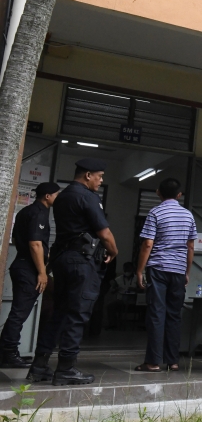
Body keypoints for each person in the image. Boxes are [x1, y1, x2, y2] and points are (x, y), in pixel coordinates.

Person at [28, 159, 118, 386]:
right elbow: (104, 233)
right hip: (82, 262)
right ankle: (66, 368)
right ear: (88, 175)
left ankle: (39, 365)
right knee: (78, 314)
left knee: (59, 312)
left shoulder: (62, 196)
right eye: (99, 176)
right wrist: (114, 252)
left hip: (63, 260)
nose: (101, 180)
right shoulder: (87, 197)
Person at [134, 178, 197, 373]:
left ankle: (153, 362)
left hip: (159, 269)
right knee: (174, 315)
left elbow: (147, 244)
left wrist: (139, 270)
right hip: (178, 271)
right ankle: (173, 361)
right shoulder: (188, 215)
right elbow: (190, 246)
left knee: (156, 314)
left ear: (158, 192)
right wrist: (186, 272)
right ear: (179, 195)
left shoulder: (155, 212)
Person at [0, 182, 59, 368]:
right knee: (19, 313)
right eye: (57, 194)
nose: (58, 198)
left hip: (21, 264)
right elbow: (35, 244)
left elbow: (18, 240)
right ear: (48, 196)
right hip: (29, 270)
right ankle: (8, 353)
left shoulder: (25, 212)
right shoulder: (38, 213)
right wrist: (42, 272)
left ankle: (8, 352)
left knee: (19, 311)